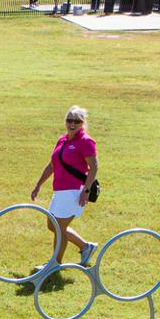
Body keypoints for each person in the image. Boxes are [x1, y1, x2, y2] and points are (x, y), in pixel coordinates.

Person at [29, 105, 99, 263]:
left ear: (82, 123)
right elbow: (52, 165)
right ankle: (85, 246)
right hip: (60, 191)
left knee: (59, 229)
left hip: (74, 191)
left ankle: (54, 264)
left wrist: (86, 190)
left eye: (77, 121)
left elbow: (94, 167)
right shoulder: (62, 139)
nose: (72, 123)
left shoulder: (86, 141)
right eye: (69, 120)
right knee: (52, 226)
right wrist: (38, 185)